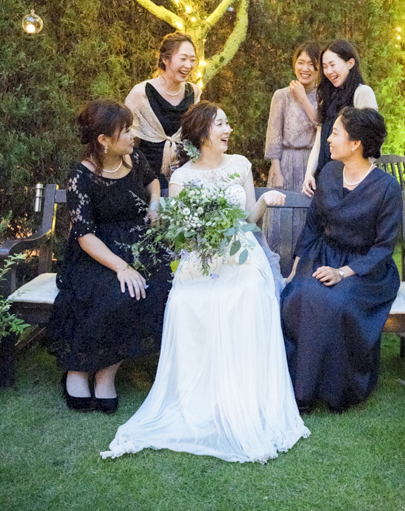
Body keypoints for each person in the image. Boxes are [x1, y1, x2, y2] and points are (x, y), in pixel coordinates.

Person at [101, 102, 309, 463]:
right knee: (185, 301)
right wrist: (201, 235)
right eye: (220, 124)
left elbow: (247, 220)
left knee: (248, 292)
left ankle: (243, 397)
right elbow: (183, 235)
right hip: (200, 257)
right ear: (201, 133)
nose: (228, 130)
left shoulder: (240, 165)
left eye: (228, 122)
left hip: (241, 253)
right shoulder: (182, 176)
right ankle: (199, 401)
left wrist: (264, 201)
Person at [47, 100, 172, 413]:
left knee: (151, 289)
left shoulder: (134, 157)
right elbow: (84, 235)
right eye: (126, 130)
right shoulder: (81, 175)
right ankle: (77, 368)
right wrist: (121, 267)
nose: (133, 135)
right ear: (103, 140)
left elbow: (153, 182)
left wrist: (154, 203)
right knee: (115, 292)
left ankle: (106, 374)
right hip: (97, 252)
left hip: (138, 245)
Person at [281, 107, 401, 413]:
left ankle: (337, 391)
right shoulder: (330, 173)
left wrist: (343, 273)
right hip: (324, 255)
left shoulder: (387, 188)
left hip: (366, 271)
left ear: (356, 143)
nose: (329, 140)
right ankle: (298, 387)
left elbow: (383, 248)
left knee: (335, 302)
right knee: (297, 296)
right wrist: (295, 268)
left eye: (335, 133)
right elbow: (313, 225)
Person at [263, 41, 320, 255]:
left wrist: (303, 98)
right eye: (301, 62)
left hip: (310, 165)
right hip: (285, 163)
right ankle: (276, 268)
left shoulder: (323, 95)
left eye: (311, 64)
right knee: (278, 220)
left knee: (306, 221)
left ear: (319, 68)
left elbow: (321, 124)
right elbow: (273, 135)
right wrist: (276, 171)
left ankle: (302, 268)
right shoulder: (281, 95)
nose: (305, 68)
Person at [302, 39, 377, 197]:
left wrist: (361, 182)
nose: (328, 71)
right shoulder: (326, 98)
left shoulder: (362, 93)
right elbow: (319, 142)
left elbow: (371, 141)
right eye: (324, 66)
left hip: (351, 182)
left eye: (332, 64)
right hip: (325, 178)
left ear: (350, 63)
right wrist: (309, 173)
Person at [125, 32, 201, 188]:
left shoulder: (194, 93)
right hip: (146, 179)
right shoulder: (141, 93)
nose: (188, 65)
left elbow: (197, 137)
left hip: (184, 179)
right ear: (165, 59)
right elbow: (123, 136)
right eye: (183, 58)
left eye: (192, 60)